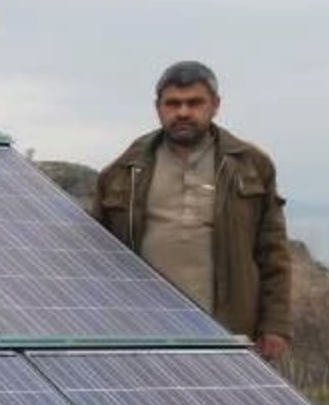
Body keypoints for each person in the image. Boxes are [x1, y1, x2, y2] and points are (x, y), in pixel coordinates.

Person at [90, 61, 292, 359]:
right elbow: (95, 257)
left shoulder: (250, 165)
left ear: (215, 105)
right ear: (158, 107)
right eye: (173, 104)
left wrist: (275, 325)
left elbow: (272, 252)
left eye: (194, 103)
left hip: (226, 329)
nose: (183, 112)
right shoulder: (123, 171)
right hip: (144, 331)